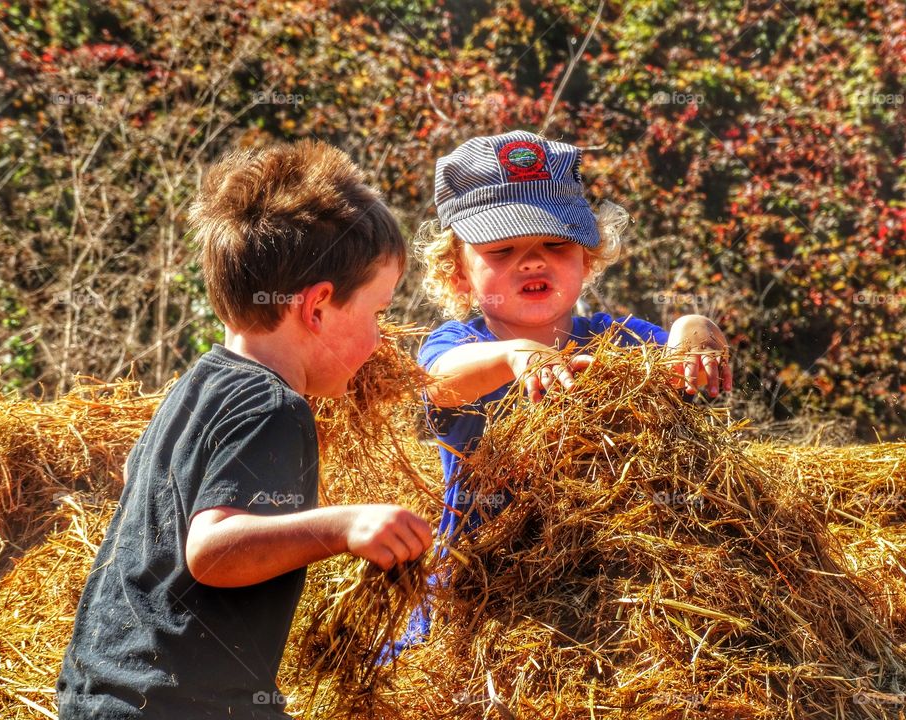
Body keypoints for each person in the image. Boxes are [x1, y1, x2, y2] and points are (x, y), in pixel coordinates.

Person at [56, 140, 433, 719]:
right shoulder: (274, 408)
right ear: (317, 308)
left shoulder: (199, 385)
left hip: (106, 691)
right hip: (182, 705)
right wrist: (346, 525)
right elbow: (212, 550)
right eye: (377, 313)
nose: (381, 339)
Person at [400, 130, 731, 645]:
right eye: (503, 249)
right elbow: (440, 382)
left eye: (555, 244)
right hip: (482, 589)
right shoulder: (461, 342)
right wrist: (515, 356)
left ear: (589, 257)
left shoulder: (619, 340)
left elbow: (677, 364)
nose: (532, 261)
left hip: (605, 583)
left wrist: (696, 329)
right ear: (457, 273)